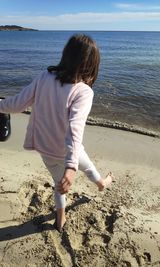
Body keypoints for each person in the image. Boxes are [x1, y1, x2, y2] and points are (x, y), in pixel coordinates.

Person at [0, 34, 113, 232]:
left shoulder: (45, 77)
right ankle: (102, 183)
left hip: (45, 149)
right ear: (91, 64)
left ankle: (60, 218)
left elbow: (17, 104)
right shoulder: (83, 92)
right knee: (86, 167)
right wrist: (71, 167)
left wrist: (0, 105)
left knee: (58, 183)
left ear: (66, 55)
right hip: (68, 152)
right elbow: (74, 130)